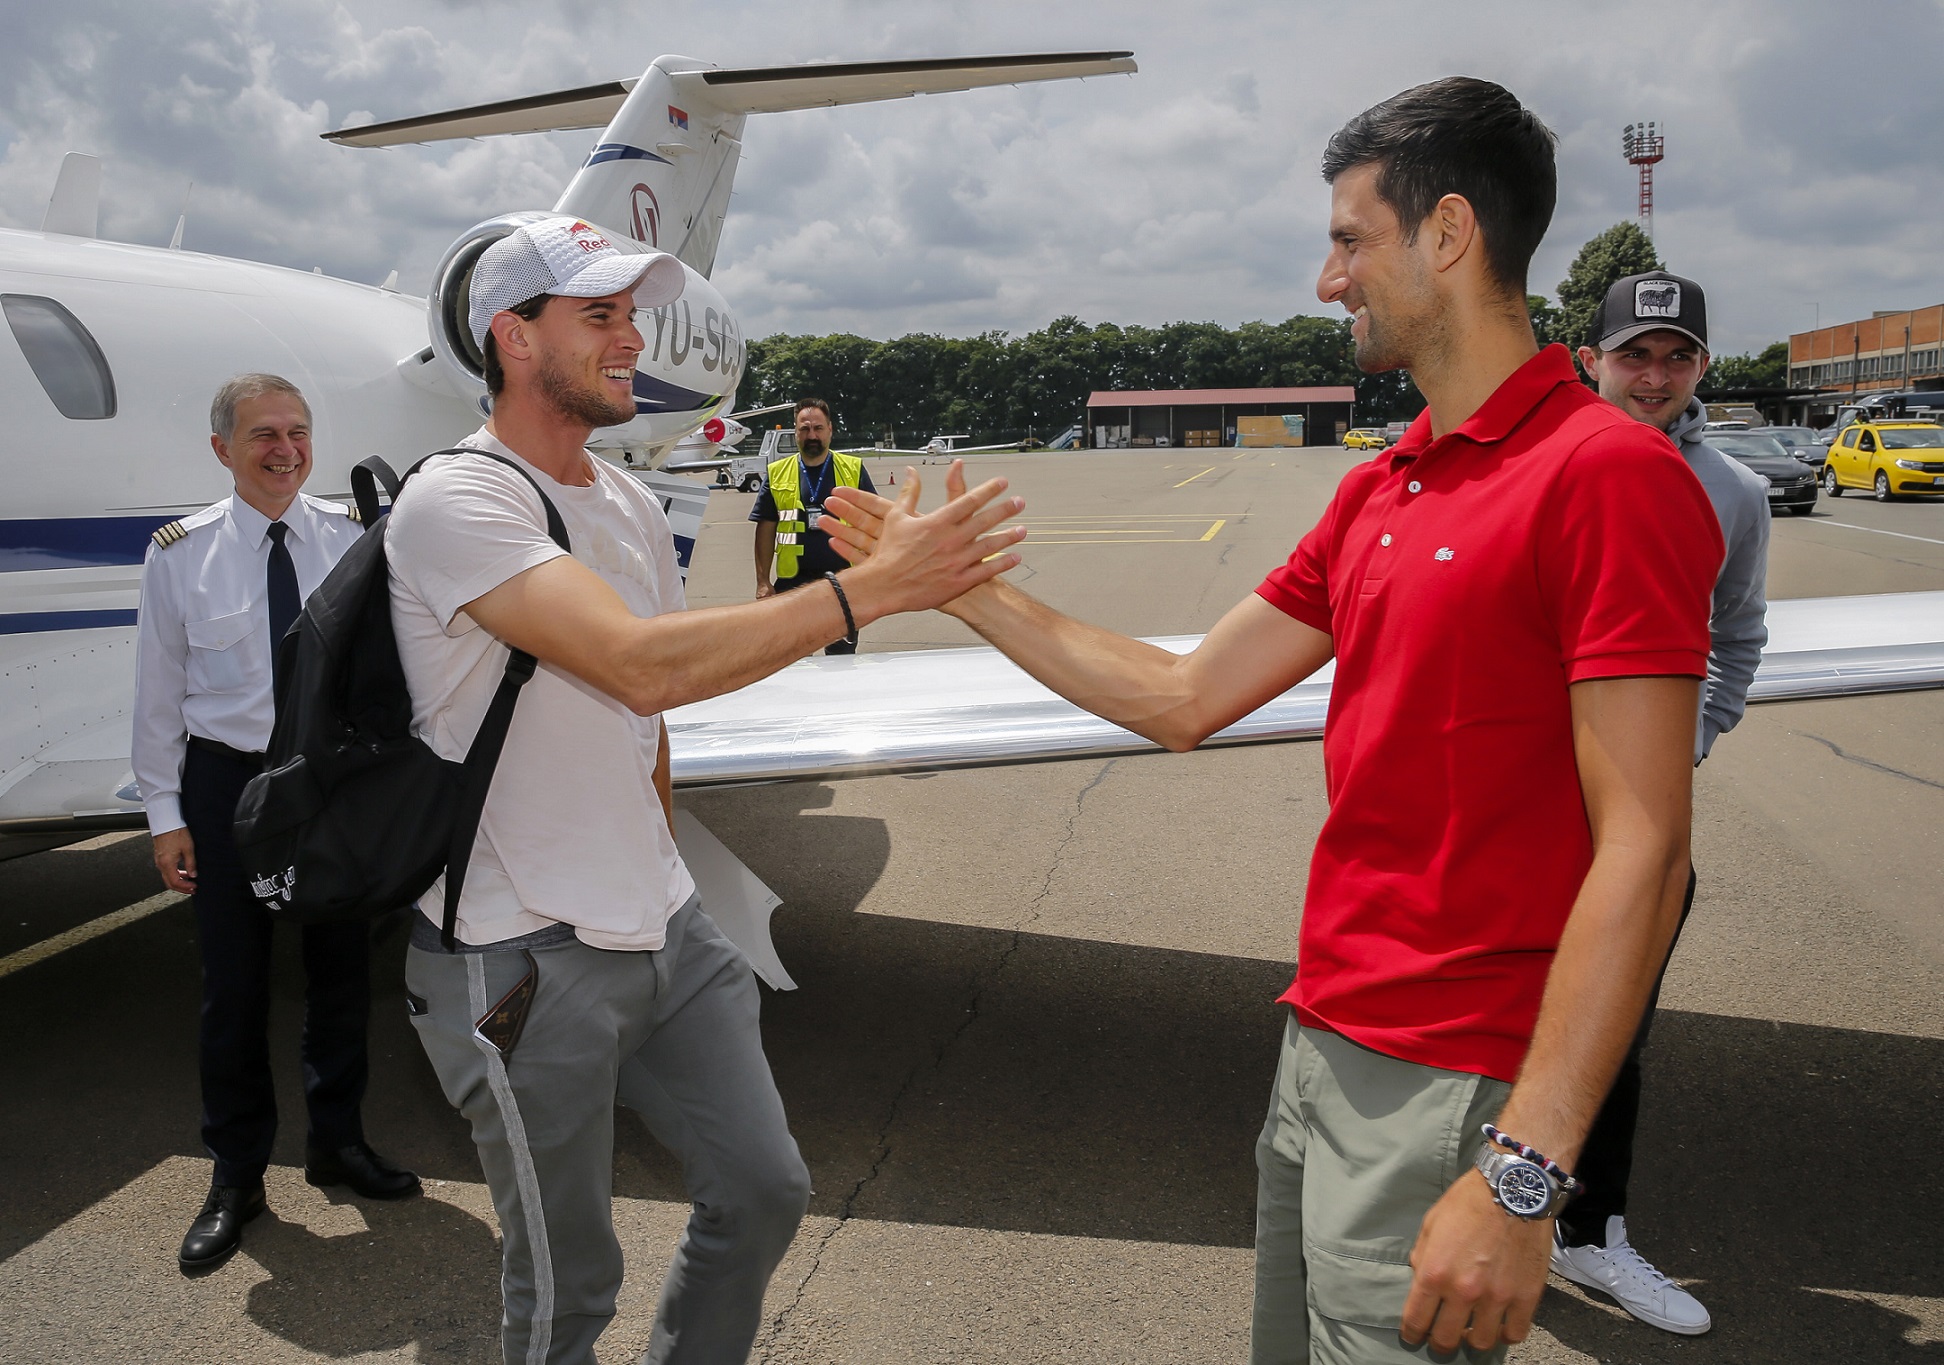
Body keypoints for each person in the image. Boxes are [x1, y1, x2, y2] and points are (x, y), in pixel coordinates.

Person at [825, 79, 1724, 1363]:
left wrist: (1525, 1174)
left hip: (1454, 1080)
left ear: (1449, 233)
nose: (1327, 278)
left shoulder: (1607, 477)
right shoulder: (1382, 491)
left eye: (1352, 240)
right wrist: (962, 590)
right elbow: (1182, 696)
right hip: (1322, 1042)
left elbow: (1645, 852)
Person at [385, 215, 1023, 1365]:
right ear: (513, 339)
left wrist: (666, 871)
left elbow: (650, 722)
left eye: (631, 313)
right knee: (567, 1288)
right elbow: (637, 665)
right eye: (600, 316)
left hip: (664, 926)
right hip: (518, 950)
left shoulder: (628, 506)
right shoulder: (457, 502)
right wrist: (872, 591)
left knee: (765, 1187)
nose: (634, 337)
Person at [134, 373, 420, 1274]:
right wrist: (164, 815)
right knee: (234, 990)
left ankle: (338, 1140)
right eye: (263, 434)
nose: (284, 449)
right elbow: (156, 697)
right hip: (226, 785)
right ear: (223, 448)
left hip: (323, 784)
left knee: (340, 975)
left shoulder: (349, 539)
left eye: (297, 431)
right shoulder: (180, 555)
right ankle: (236, 1175)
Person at [1561, 270, 1769, 1335]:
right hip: (1517, 809)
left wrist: (1684, 745)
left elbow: (1739, 635)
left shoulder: (1734, 491)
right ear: (1589, 358)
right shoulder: (1540, 463)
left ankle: (1588, 1233)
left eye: (1675, 356)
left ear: (1701, 366)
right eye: (1633, 354)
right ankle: (1457, 1212)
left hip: (1634, 822)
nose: (1654, 376)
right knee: (1479, 1021)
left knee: (1612, 1030)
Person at [750, 398, 877, 653]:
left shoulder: (853, 469)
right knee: (793, 659)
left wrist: (875, 573)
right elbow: (765, 528)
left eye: (818, 428)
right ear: (795, 432)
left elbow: (874, 523)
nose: (812, 435)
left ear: (830, 429)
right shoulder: (777, 473)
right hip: (794, 584)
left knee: (841, 659)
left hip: (843, 582)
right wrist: (763, 581)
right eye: (805, 429)